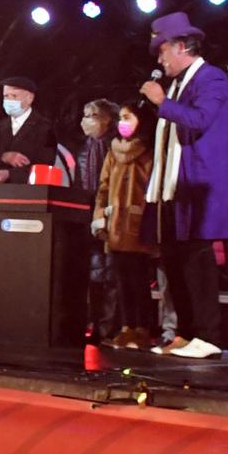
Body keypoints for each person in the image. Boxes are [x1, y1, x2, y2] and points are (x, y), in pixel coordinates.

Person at [139, 13, 228, 358]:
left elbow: (198, 120)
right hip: (174, 185)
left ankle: (208, 336)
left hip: (200, 184)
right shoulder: (180, 84)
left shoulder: (212, 79)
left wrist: (161, 103)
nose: (159, 59)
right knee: (173, 259)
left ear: (182, 47)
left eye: (163, 50)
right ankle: (184, 332)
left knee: (197, 261)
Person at [93, 103, 158, 348]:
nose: (122, 122)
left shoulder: (149, 152)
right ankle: (126, 327)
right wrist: (100, 218)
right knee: (121, 280)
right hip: (115, 227)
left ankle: (141, 328)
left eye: (127, 117)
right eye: (120, 117)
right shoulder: (113, 152)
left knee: (138, 279)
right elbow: (103, 188)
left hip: (139, 226)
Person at [77, 100, 120, 338]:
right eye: (86, 114)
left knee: (111, 273)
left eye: (94, 115)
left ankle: (108, 326)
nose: (87, 120)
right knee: (93, 272)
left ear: (108, 120)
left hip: (110, 213)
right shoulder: (84, 147)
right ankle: (92, 323)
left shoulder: (115, 146)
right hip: (86, 213)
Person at [0, 77, 59, 185]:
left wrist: (10, 174)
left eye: (14, 96)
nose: (9, 101)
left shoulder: (45, 128)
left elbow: (45, 165)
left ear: (29, 98)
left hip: (28, 194)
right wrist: (4, 156)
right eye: (6, 96)